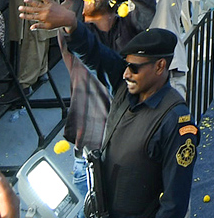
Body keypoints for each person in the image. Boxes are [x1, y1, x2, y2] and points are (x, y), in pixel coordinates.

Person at [68, 27, 198, 218]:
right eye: (126, 65)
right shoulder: (125, 89)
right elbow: (95, 54)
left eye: (134, 68)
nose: (126, 74)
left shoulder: (176, 121)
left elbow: (174, 203)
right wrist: (72, 26)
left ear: (160, 66)